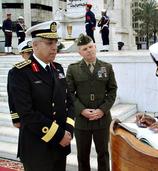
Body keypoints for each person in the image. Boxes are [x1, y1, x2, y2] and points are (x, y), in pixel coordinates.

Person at [7, 21, 74, 171]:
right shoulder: (19, 73)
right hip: (37, 148)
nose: (54, 47)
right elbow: (27, 114)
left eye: (56, 42)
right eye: (49, 42)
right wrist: (59, 135)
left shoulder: (58, 68)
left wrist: (68, 131)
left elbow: (69, 102)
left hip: (60, 146)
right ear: (35, 46)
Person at [66, 33, 117, 171]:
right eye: (84, 49)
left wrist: (102, 110)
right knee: (83, 156)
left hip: (103, 119)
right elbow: (69, 93)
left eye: (90, 47)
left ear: (95, 46)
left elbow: (112, 91)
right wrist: (81, 110)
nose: (89, 50)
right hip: (82, 121)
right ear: (79, 52)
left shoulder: (106, 67)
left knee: (103, 154)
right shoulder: (73, 69)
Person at [8, 39, 33, 129]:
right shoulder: (17, 72)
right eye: (29, 53)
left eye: (33, 52)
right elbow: (12, 96)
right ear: (22, 55)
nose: (32, 56)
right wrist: (15, 119)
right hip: (26, 117)